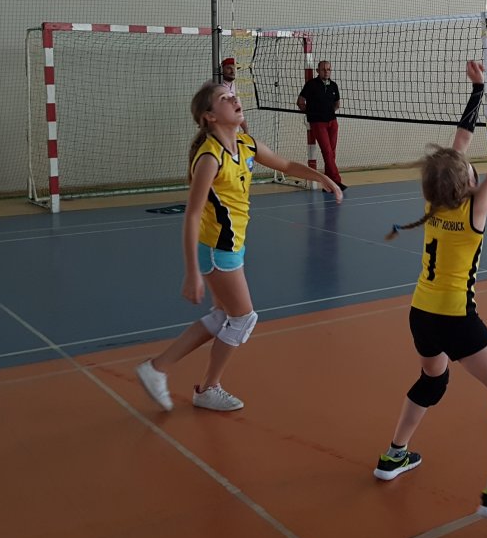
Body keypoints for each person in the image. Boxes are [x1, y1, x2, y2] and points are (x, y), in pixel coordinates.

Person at [373, 60, 487, 523]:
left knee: (434, 380)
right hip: (455, 318)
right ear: (468, 182)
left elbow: (459, 146)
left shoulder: (433, 199)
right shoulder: (476, 208)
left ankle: (394, 454)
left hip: (421, 313)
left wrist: (480, 90)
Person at [136, 81, 342, 413]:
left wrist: (323, 178)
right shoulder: (210, 157)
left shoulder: (246, 144)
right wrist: (192, 273)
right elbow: (192, 215)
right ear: (210, 116)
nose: (234, 99)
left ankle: (157, 367)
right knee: (243, 318)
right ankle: (207, 388)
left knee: (223, 316)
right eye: (224, 98)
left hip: (233, 245)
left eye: (233, 95)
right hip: (217, 249)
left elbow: (285, 165)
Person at [296, 60, 346, 191]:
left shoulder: (333, 85)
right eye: (323, 69)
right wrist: (312, 114)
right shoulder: (311, 84)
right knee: (327, 152)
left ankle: (328, 185)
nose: (326, 72)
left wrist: (327, 113)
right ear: (318, 71)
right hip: (318, 123)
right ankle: (336, 182)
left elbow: (337, 104)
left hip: (332, 122)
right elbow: (300, 102)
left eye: (328, 69)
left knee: (331, 153)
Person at [219, 57, 249, 134]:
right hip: (219, 132)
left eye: (234, 68)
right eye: (229, 68)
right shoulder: (215, 85)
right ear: (222, 69)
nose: (232, 71)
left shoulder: (235, 87)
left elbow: (239, 111)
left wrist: (246, 131)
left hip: (234, 133)